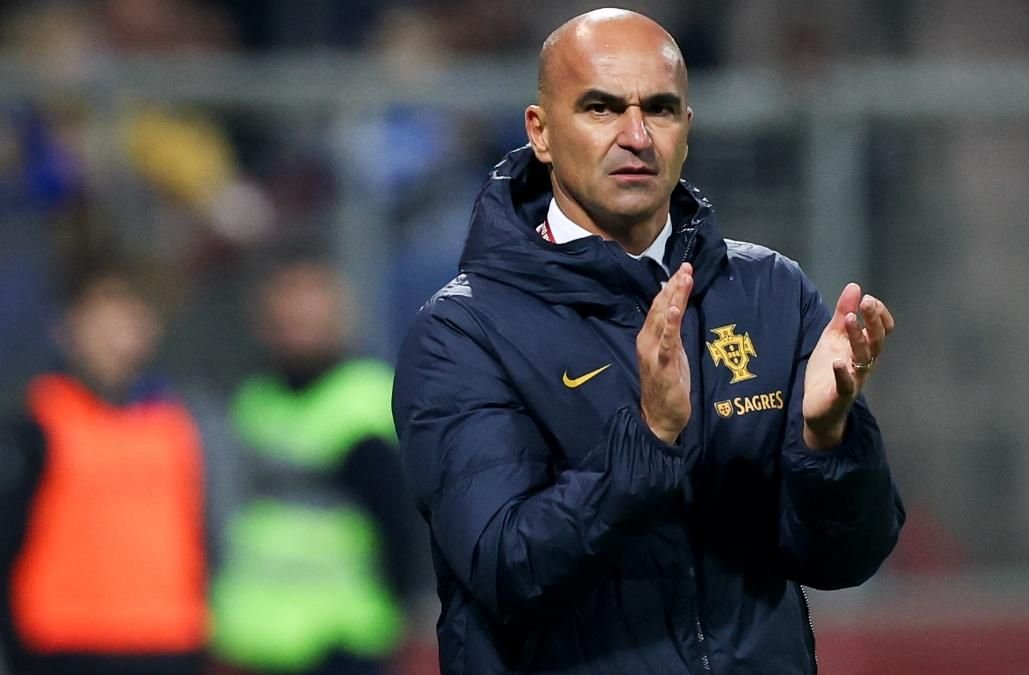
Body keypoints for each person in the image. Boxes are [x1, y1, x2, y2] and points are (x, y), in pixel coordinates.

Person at [391, 9, 905, 675]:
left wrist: (827, 441)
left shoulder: (768, 291)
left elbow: (844, 561)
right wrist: (651, 438)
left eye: (659, 109)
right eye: (601, 108)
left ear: (686, 128)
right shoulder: (462, 333)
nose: (636, 137)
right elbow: (507, 568)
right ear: (540, 132)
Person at [210, 256, 424, 675]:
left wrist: (402, 616)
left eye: (308, 315)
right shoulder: (254, 401)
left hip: (340, 640)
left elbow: (401, 529)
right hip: (257, 637)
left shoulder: (361, 402)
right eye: (286, 316)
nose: (296, 327)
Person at [0, 262, 208, 675]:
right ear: (66, 328)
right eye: (102, 319)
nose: (116, 336)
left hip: (167, 642)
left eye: (130, 318)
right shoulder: (37, 421)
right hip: (64, 645)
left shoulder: (179, 421)